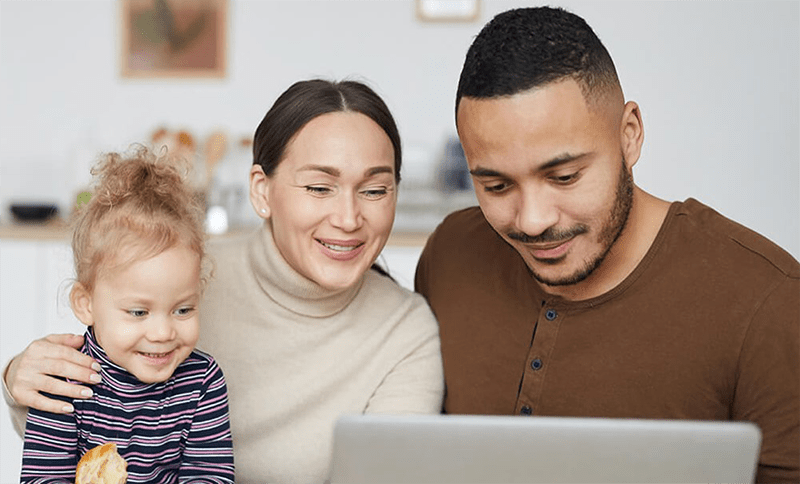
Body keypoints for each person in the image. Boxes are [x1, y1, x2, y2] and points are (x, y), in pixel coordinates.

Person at [413, 6, 799, 483]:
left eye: (564, 176)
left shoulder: (769, 302)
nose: (533, 221)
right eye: (496, 186)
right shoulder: (450, 253)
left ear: (629, 135)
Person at [4, 79, 445, 483]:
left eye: (374, 190)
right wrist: (16, 377)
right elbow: (74, 424)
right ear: (261, 190)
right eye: (318, 187)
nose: (349, 219)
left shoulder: (405, 333)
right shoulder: (179, 275)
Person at [19, 148, 234, 482]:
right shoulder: (63, 383)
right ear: (85, 303)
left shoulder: (202, 382)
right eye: (138, 312)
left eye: (183, 309)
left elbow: (211, 476)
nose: (163, 332)